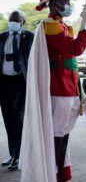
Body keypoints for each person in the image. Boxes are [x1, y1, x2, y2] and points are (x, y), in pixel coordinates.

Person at [19, 0, 86, 182]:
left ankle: (59, 174)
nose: (68, 5)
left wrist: (79, 91)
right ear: (53, 3)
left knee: (64, 138)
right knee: (57, 138)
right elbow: (75, 49)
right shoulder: (51, 26)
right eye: (64, 2)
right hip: (58, 88)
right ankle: (55, 175)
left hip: (68, 87)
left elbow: (71, 62)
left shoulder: (62, 26)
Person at [0, 10, 34, 171]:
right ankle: (12, 153)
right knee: (8, 119)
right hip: (4, 83)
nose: (14, 21)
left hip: (21, 82)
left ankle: (19, 156)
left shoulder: (29, 37)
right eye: (11, 19)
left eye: (17, 19)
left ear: (23, 21)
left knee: (18, 118)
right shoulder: (2, 37)